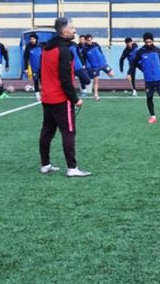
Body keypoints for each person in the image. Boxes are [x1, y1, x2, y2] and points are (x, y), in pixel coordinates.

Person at [39, 17, 89, 177]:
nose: (75, 30)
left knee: (47, 132)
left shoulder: (46, 48)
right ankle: (72, 168)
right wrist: (75, 99)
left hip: (47, 97)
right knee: (68, 132)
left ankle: (45, 164)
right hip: (61, 99)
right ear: (64, 30)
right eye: (72, 28)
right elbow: (66, 79)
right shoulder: (64, 51)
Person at [130, 32, 160, 123]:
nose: (148, 44)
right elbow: (134, 63)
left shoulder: (157, 50)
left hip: (159, 78)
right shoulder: (141, 51)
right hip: (148, 80)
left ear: (152, 41)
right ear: (144, 41)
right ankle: (153, 116)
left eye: (150, 42)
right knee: (149, 97)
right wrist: (131, 73)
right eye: (146, 42)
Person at [83, 34, 114, 101]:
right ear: (86, 40)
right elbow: (84, 60)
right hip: (94, 67)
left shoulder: (96, 44)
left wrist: (103, 59)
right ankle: (96, 95)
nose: (90, 41)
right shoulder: (84, 49)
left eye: (91, 40)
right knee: (96, 80)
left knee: (112, 74)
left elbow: (100, 52)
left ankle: (95, 74)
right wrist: (87, 67)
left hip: (103, 64)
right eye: (88, 40)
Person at [23, 33, 43, 102]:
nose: (32, 40)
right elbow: (25, 58)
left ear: (36, 39)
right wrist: (26, 68)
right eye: (30, 39)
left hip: (42, 67)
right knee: (36, 81)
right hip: (34, 68)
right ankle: (37, 95)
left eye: (33, 39)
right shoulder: (28, 47)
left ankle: (45, 94)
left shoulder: (40, 46)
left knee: (43, 81)